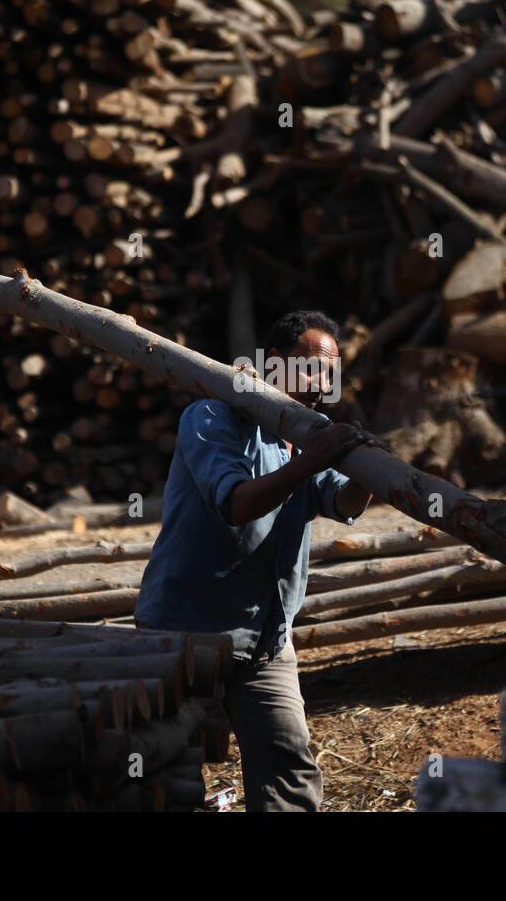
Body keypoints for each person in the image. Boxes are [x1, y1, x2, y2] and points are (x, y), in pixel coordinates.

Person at [134, 309, 380, 811]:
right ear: (271, 365)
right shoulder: (211, 417)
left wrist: (370, 472)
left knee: (288, 771)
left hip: (266, 640)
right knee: (170, 777)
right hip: (186, 635)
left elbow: (340, 501)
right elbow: (237, 504)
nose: (319, 383)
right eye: (309, 367)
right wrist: (311, 461)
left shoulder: (311, 432)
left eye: (329, 373)